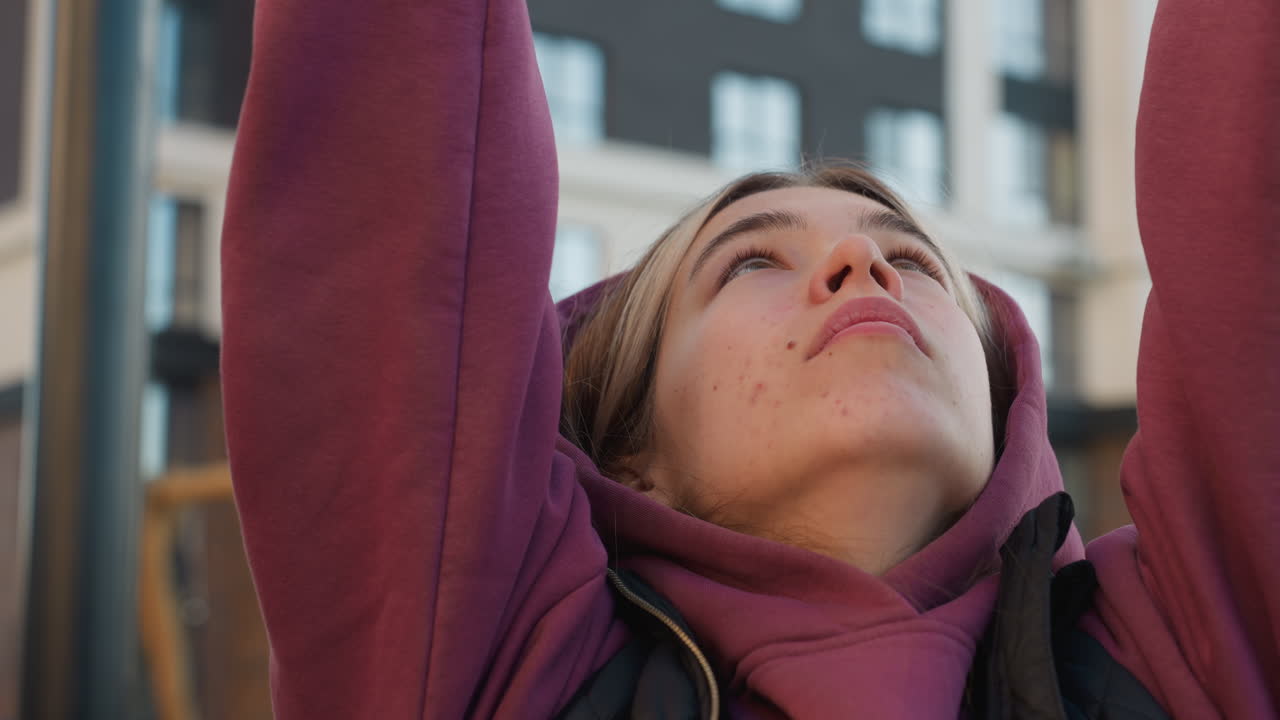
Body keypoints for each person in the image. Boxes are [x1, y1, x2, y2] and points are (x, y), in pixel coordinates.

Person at [219, 0, 1279, 717]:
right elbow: (401, 176)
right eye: (749, 262)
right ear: (631, 456)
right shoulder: (499, 674)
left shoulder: (1190, 652)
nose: (860, 259)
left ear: (1004, 404)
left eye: (909, 257)